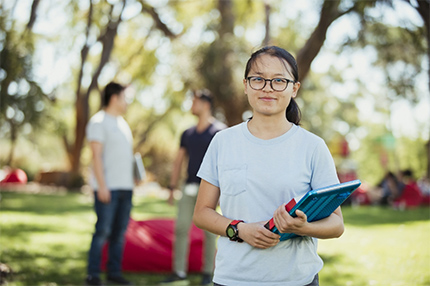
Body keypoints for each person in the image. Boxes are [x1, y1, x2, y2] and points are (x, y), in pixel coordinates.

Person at [193, 46, 345, 286]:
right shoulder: (223, 141)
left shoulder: (313, 146)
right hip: (233, 279)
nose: (267, 88)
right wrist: (240, 230)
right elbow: (202, 213)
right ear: (245, 85)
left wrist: (303, 227)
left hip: (297, 280)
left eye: (279, 81)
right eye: (258, 79)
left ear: (294, 89)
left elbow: (337, 225)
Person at [162, 90, 226, 286]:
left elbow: (225, 163)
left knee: (209, 231)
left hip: (210, 189)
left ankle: (208, 272)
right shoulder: (187, 133)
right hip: (188, 187)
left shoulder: (220, 131)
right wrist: (172, 187)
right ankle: (179, 271)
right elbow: (178, 161)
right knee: (181, 228)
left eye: (195, 102)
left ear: (206, 105)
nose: (192, 105)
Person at [85, 82, 134, 286]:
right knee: (102, 232)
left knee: (119, 234)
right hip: (107, 189)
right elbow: (96, 157)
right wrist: (102, 186)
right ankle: (93, 274)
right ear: (114, 98)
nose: (127, 102)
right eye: (124, 97)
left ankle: (114, 272)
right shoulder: (98, 121)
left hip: (126, 188)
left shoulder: (123, 123)